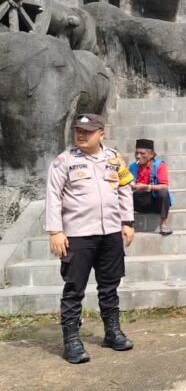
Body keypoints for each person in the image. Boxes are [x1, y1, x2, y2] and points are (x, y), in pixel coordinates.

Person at [45, 113, 136, 364]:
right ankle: (72, 341)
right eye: (79, 131)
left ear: (101, 134)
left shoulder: (114, 158)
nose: (82, 135)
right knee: (74, 289)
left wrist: (127, 222)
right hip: (78, 235)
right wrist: (55, 231)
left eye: (88, 131)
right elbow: (53, 195)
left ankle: (112, 332)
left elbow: (125, 188)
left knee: (110, 286)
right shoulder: (64, 161)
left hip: (110, 234)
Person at [129, 138, 173, 235]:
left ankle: (163, 223)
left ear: (151, 154)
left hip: (155, 202)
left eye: (142, 153)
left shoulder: (159, 165)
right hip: (139, 201)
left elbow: (164, 186)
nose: (138, 156)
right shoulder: (132, 167)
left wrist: (146, 187)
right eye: (136, 153)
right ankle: (127, 224)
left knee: (163, 192)